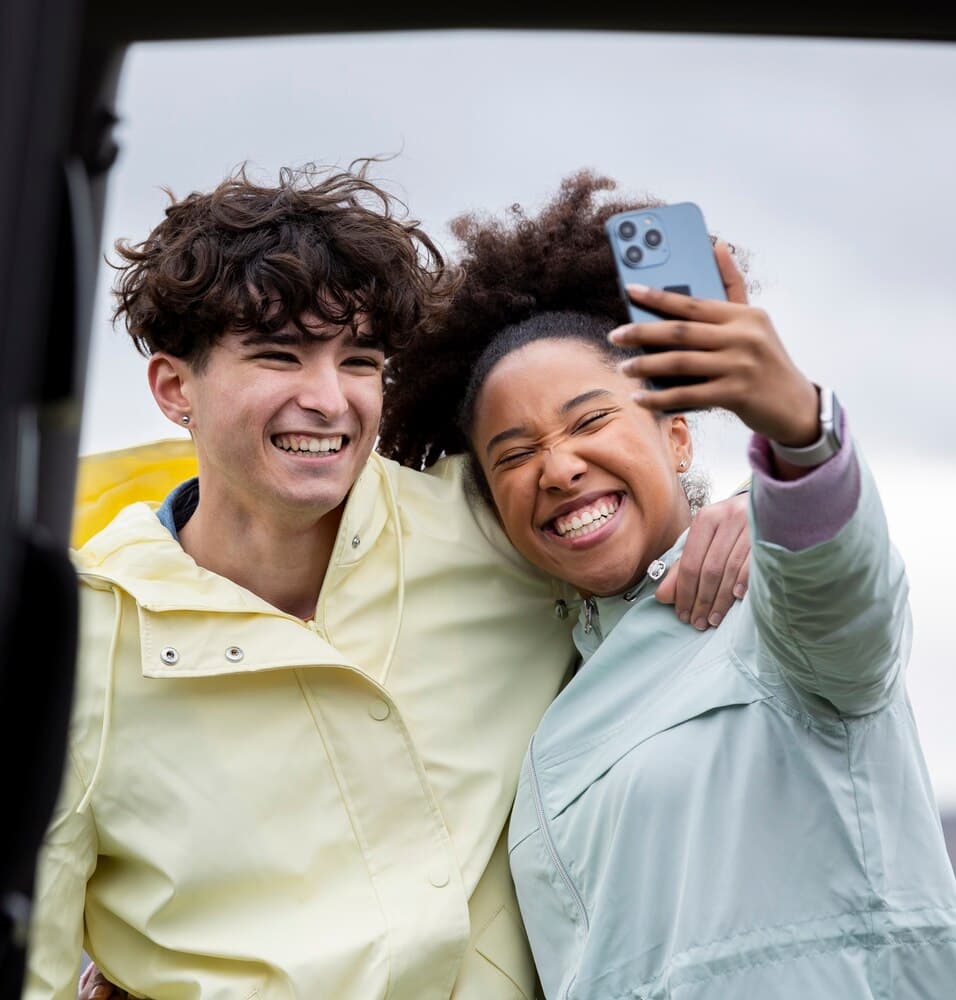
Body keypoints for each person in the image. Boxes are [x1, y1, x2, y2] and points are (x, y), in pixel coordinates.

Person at [25, 165, 750, 1000]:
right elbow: (20, 957)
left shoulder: (487, 531)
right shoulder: (75, 639)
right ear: (173, 388)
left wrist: (754, 507)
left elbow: (630, 500)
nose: (328, 400)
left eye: (359, 360)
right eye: (278, 356)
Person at [380, 172, 956, 997]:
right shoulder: (543, 701)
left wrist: (798, 437)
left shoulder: (766, 607)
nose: (560, 465)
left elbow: (842, 598)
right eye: (514, 454)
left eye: (590, 420)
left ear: (677, 438)